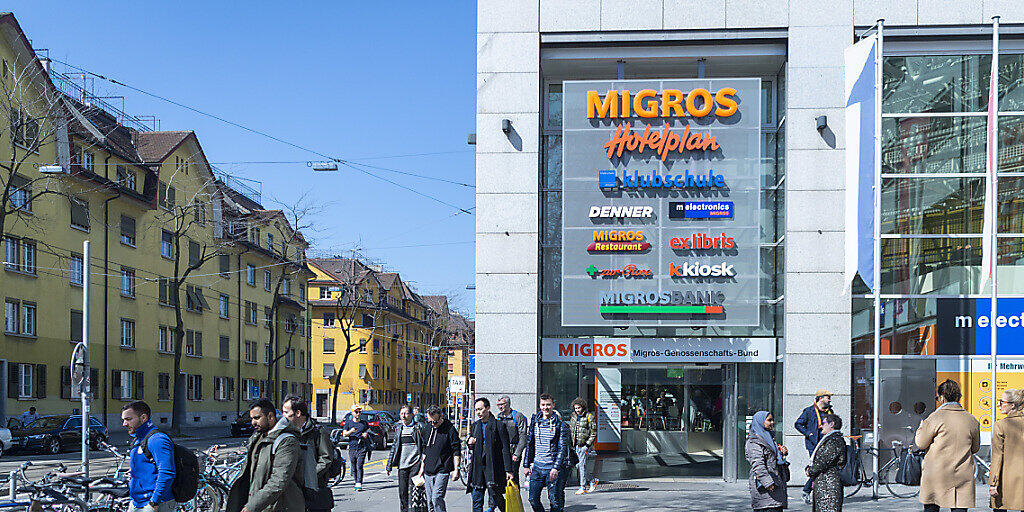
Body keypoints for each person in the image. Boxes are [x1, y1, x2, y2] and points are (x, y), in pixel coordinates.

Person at [226, 399, 304, 512]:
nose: (253, 422)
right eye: (252, 418)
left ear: (270, 417)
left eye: (257, 418)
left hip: (280, 506)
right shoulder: (258, 438)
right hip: (262, 506)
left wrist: (252, 506)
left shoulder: (287, 441)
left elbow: (279, 480)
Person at [916, 379, 980, 512]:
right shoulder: (971, 419)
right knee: (959, 507)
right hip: (961, 474)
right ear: (958, 397)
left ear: (942, 397)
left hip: (936, 473)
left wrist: (921, 428)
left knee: (932, 506)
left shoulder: (934, 418)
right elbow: (975, 448)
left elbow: (921, 444)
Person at [121, 401, 176, 512]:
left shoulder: (157, 439)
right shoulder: (138, 439)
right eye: (123, 420)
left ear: (143, 417)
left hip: (155, 503)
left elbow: (167, 473)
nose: (124, 424)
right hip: (137, 501)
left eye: (128, 419)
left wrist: (154, 502)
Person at [281, 395, 334, 512]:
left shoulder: (317, 432)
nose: (283, 416)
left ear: (298, 413)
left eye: (286, 412)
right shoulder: (287, 432)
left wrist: (308, 475)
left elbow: (326, 458)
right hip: (295, 493)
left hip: (315, 491)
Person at [523, 394, 571, 512]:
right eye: (543, 405)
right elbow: (530, 444)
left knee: (554, 501)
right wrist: (526, 464)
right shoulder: (535, 422)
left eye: (548, 405)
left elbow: (562, 448)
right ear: (539, 406)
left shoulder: (560, 425)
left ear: (553, 405)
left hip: (552, 468)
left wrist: (556, 467)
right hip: (537, 467)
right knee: (533, 499)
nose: (546, 407)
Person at [466, 398, 514, 512]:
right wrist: (470, 442)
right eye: (476, 409)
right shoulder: (475, 426)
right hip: (477, 468)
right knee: (476, 498)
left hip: (493, 467)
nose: (478, 412)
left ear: (488, 408)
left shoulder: (498, 425)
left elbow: (505, 449)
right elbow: (473, 446)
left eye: (480, 409)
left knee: (496, 497)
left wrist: (508, 470)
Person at [418, 406, 461, 512]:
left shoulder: (450, 429)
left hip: (442, 468)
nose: (433, 424)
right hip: (428, 469)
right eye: (430, 421)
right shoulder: (427, 428)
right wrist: (421, 468)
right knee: (430, 502)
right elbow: (425, 450)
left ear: (441, 416)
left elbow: (456, 450)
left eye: (435, 422)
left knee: (436, 497)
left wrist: (457, 469)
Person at [794, 389, 833, 504]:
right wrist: (808, 433)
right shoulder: (809, 411)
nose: (830, 400)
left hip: (826, 443)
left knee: (822, 468)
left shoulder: (830, 411)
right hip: (813, 444)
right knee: (818, 468)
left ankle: (814, 491)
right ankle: (807, 491)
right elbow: (798, 424)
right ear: (820, 398)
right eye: (828, 397)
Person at [745, 411, 789, 512]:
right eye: (769, 420)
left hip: (776, 484)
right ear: (760, 422)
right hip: (766, 488)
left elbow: (772, 458)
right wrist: (768, 483)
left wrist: (781, 452)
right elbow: (758, 464)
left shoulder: (768, 438)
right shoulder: (754, 441)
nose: (772, 422)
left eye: (772, 420)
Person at [990, 388, 1024, 512]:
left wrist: (993, 483)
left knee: (1000, 507)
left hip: (1005, 480)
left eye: (1002, 402)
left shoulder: (1000, 425)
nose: (999, 405)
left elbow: (997, 457)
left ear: (1012, 405)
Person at [387, 405, 425, 512]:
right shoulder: (399, 428)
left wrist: (423, 463)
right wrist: (389, 465)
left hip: (415, 464)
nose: (403, 416)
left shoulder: (418, 427)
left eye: (406, 413)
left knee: (414, 491)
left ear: (412, 415)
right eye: (401, 413)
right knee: (402, 492)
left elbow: (424, 446)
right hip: (402, 465)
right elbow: (394, 447)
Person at [805, 414, 846, 512]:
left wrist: (810, 470)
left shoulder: (835, 440)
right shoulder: (829, 439)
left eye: (823, 423)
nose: (820, 426)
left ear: (831, 424)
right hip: (824, 485)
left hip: (829, 487)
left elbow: (824, 461)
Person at [495, 395, 529, 487]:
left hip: (514, 450)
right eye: (498, 405)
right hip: (502, 451)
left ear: (508, 404)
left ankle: (514, 499)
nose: (500, 407)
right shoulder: (498, 417)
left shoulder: (517, 416)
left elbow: (523, 435)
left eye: (502, 404)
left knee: (513, 476)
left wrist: (517, 453)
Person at [568, 398, 597, 495]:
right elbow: (571, 430)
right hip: (575, 445)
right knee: (579, 465)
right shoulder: (573, 417)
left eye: (579, 408)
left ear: (583, 407)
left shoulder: (589, 417)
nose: (577, 410)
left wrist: (587, 445)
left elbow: (593, 432)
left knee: (581, 465)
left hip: (584, 445)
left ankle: (583, 487)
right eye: (575, 408)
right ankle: (592, 480)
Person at [341, 404, 371, 491]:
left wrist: (366, 434)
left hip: (362, 447)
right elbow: (344, 434)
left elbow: (368, 431)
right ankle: (356, 482)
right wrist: (351, 431)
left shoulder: (364, 423)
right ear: (352, 413)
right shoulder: (348, 423)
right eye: (356, 412)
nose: (358, 414)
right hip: (352, 447)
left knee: (359, 465)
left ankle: (359, 483)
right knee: (353, 466)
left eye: (359, 412)